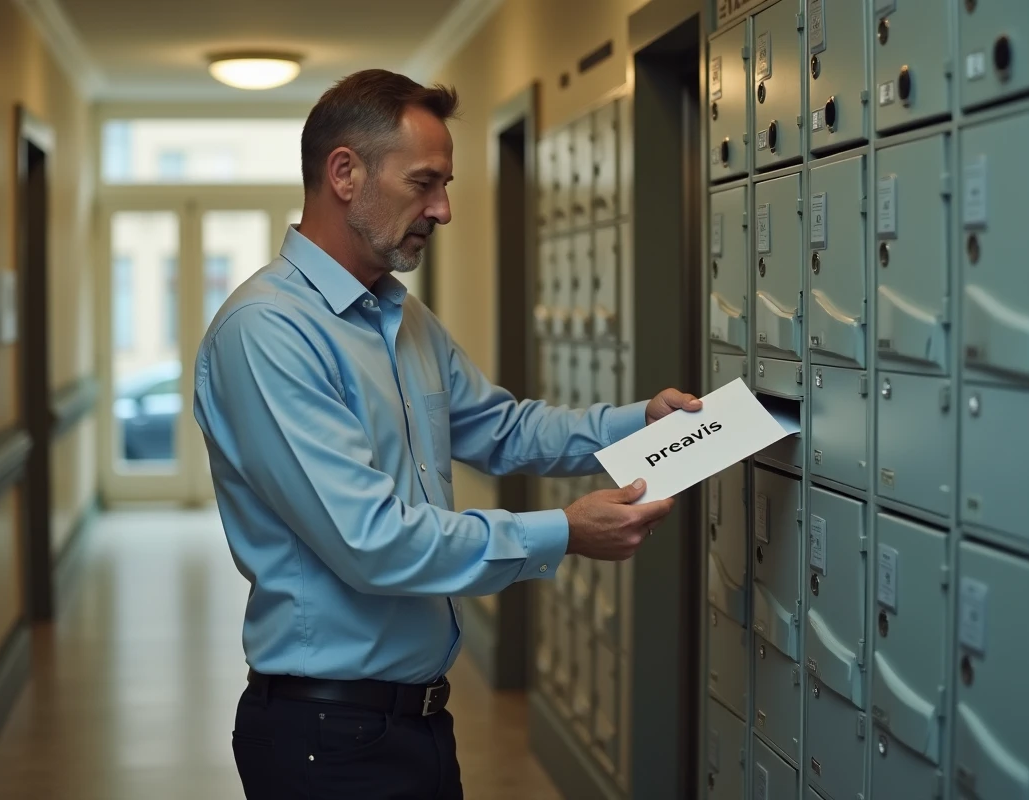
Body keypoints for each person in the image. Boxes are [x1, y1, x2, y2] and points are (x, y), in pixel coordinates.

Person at [192, 68, 702, 800]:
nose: (445, 209)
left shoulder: (399, 316)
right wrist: (561, 532)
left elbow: (500, 428)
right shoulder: (268, 331)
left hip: (418, 722)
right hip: (327, 739)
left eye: (446, 184)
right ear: (345, 173)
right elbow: (371, 540)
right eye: (425, 183)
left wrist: (638, 423)